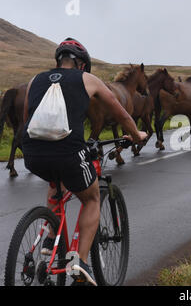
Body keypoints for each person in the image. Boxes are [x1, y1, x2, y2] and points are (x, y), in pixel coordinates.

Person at [22, 38, 147, 286]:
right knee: (91, 198)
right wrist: (136, 135)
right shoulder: (87, 80)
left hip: (32, 154)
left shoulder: (34, 80)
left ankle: (49, 238)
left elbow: (28, 119)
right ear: (81, 64)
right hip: (68, 152)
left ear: (59, 60)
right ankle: (79, 261)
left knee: (55, 184)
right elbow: (119, 112)